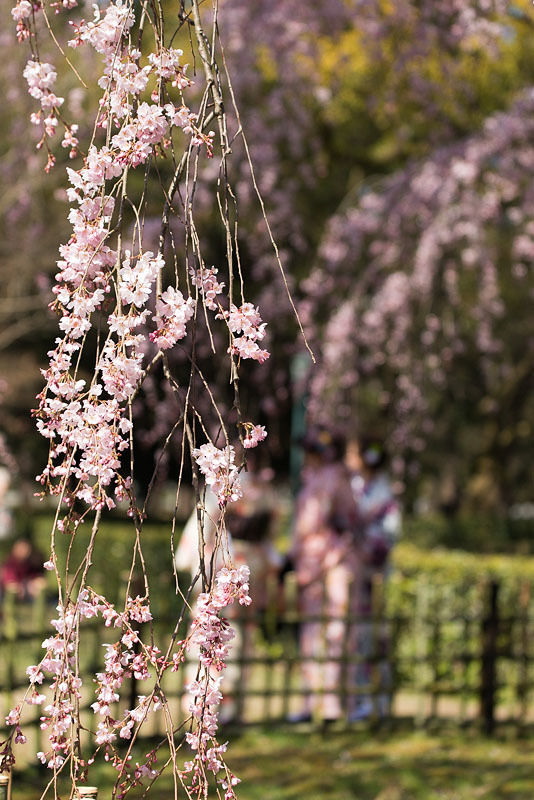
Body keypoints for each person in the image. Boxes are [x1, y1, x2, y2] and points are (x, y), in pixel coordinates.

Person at [290, 427, 360, 722]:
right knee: (311, 632)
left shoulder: (337, 479)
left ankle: (333, 701)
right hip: (310, 565)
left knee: (335, 629)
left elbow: (348, 518)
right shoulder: (312, 481)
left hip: (334, 561)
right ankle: (311, 699)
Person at [346, 435, 401, 720]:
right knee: (358, 635)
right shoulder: (355, 487)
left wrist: (369, 547)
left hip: (376, 572)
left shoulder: (383, 492)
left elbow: (390, 532)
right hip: (356, 569)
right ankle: (360, 698)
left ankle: (380, 698)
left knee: (378, 635)